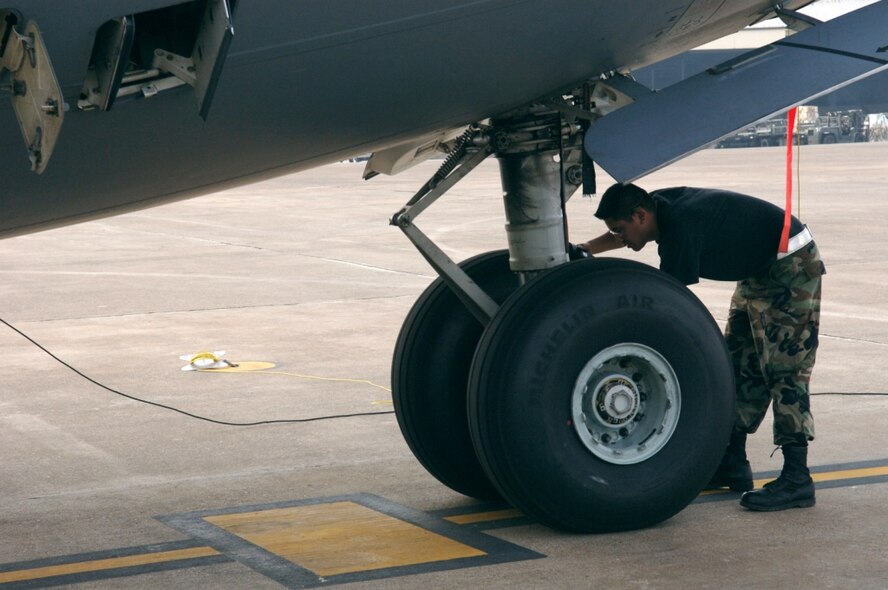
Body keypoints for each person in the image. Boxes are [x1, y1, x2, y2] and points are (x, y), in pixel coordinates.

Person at [579, 182, 825, 512]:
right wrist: (585, 249)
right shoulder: (656, 207)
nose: (620, 238)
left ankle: (797, 479)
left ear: (640, 216)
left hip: (789, 263)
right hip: (757, 270)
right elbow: (624, 238)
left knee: (784, 370)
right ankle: (732, 462)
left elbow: (667, 305)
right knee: (736, 364)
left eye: (620, 230)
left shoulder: (680, 226)